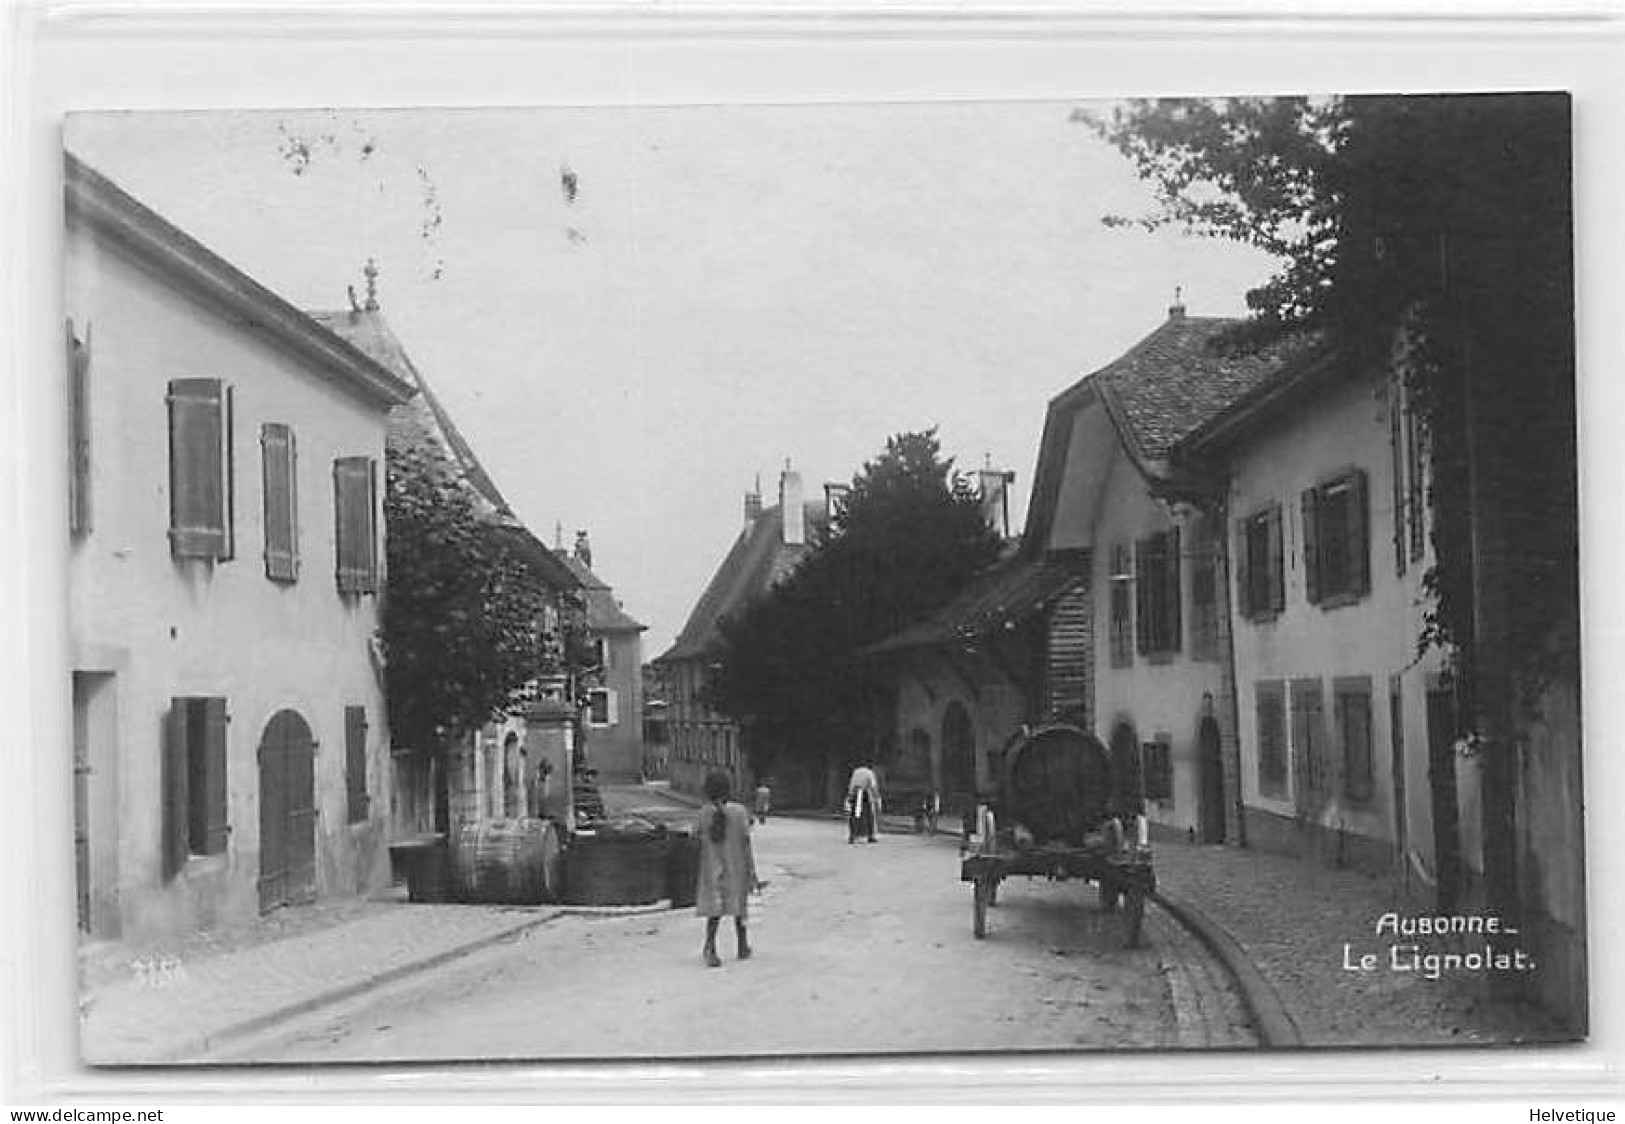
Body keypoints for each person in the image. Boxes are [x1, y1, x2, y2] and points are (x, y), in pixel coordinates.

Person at [694, 770, 760, 967]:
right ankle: (742, 945)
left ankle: (710, 946)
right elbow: (746, 842)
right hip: (736, 866)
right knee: (739, 905)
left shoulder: (704, 813)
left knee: (715, 908)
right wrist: (752, 871)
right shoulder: (739, 812)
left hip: (712, 867)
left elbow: (696, 834)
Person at [845, 763, 881, 844]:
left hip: (854, 793)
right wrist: (877, 797)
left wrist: (850, 796)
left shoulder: (856, 771)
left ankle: (852, 835)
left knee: (854, 815)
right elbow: (873, 786)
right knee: (868, 815)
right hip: (863, 793)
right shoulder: (870, 773)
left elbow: (851, 784)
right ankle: (870, 836)